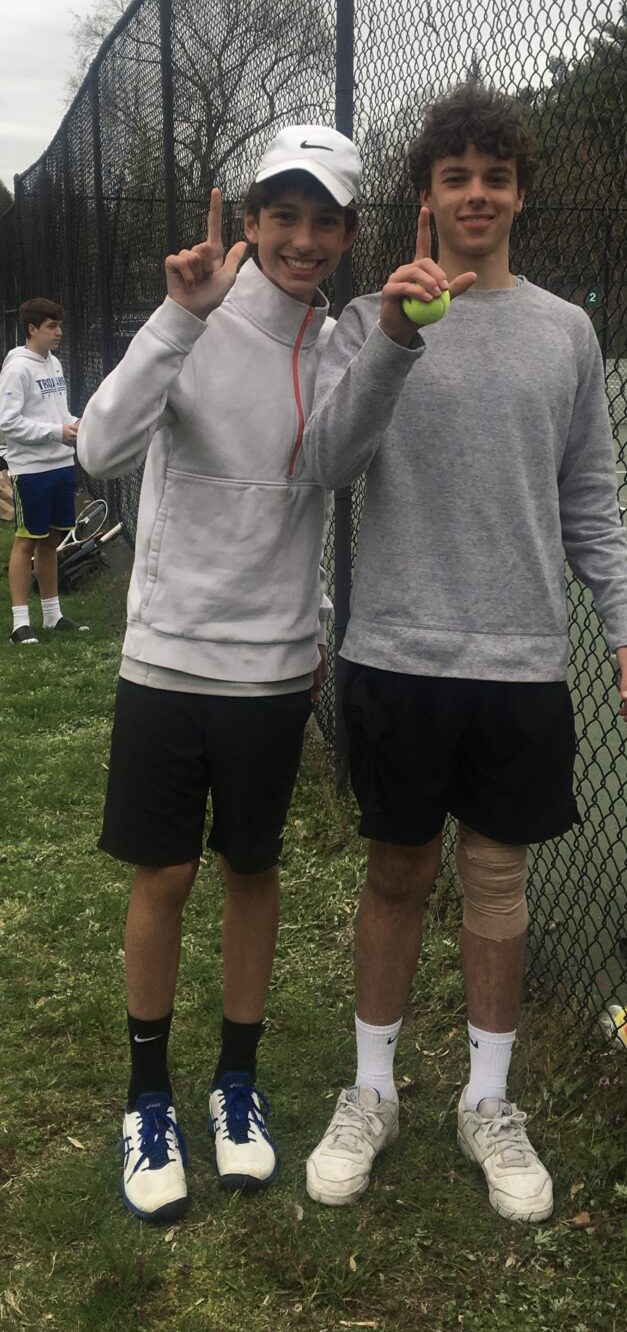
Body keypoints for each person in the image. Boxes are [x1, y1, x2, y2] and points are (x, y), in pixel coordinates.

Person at [301, 83, 627, 1223]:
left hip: (516, 662)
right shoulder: (369, 320)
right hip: (396, 655)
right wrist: (401, 335)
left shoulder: (567, 330)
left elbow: (592, 499)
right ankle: (371, 1093)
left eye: (494, 177)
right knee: (398, 873)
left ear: (518, 195)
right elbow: (328, 464)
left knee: (497, 882)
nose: (475, 194)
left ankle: (487, 1103)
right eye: (454, 176)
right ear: (426, 196)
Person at [77, 126, 361, 1224]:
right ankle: (148, 1099)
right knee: (165, 878)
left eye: (323, 219)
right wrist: (175, 319)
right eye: (280, 215)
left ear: (343, 234)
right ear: (247, 221)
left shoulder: (341, 344)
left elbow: (331, 486)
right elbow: (100, 449)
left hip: (274, 673)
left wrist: (319, 623)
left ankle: (233, 1084)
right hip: (167, 663)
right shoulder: (190, 318)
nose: (300, 238)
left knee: (252, 869)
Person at [0, 297, 87, 644]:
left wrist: (77, 424)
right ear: (32, 329)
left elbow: (59, 413)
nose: (59, 333)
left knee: (51, 540)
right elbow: (8, 423)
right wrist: (55, 433)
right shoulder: (17, 368)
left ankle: (52, 615)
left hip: (61, 465)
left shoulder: (55, 364)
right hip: (31, 470)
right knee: (26, 541)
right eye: (52, 326)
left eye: (59, 326)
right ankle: (20, 623)